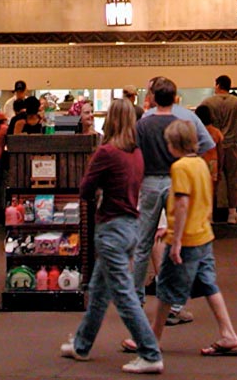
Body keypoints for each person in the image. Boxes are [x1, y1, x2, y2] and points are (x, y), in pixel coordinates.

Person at [60, 98, 163, 374]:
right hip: (131, 226)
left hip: (111, 229)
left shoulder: (106, 152)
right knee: (98, 292)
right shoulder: (137, 153)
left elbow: (85, 189)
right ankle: (81, 344)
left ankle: (150, 352)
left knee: (123, 294)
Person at [143, 119, 237, 357]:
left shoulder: (179, 168)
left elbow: (182, 203)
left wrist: (175, 241)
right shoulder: (200, 164)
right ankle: (228, 333)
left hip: (186, 238)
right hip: (203, 235)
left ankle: (151, 341)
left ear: (174, 145)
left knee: (165, 287)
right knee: (208, 283)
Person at [132, 77, 215, 325]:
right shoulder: (182, 121)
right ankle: (175, 303)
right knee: (173, 242)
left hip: (148, 183)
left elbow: (135, 154)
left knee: (142, 244)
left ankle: (135, 301)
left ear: (153, 97)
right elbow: (201, 147)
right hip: (175, 180)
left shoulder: (144, 122)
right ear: (176, 97)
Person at [198, 75, 237, 224]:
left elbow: (198, 117)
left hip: (213, 147)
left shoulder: (208, 102)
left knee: (212, 181)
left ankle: (210, 215)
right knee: (232, 182)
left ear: (217, 85)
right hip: (232, 146)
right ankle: (231, 214)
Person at [194, 104, 224, 204]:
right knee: (211, 192)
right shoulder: (216, 132)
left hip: (198, 163)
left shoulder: (195, 131)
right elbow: (221, 152)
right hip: (213, 164)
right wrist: (220, 169)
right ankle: (209, 216)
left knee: (198, 191)